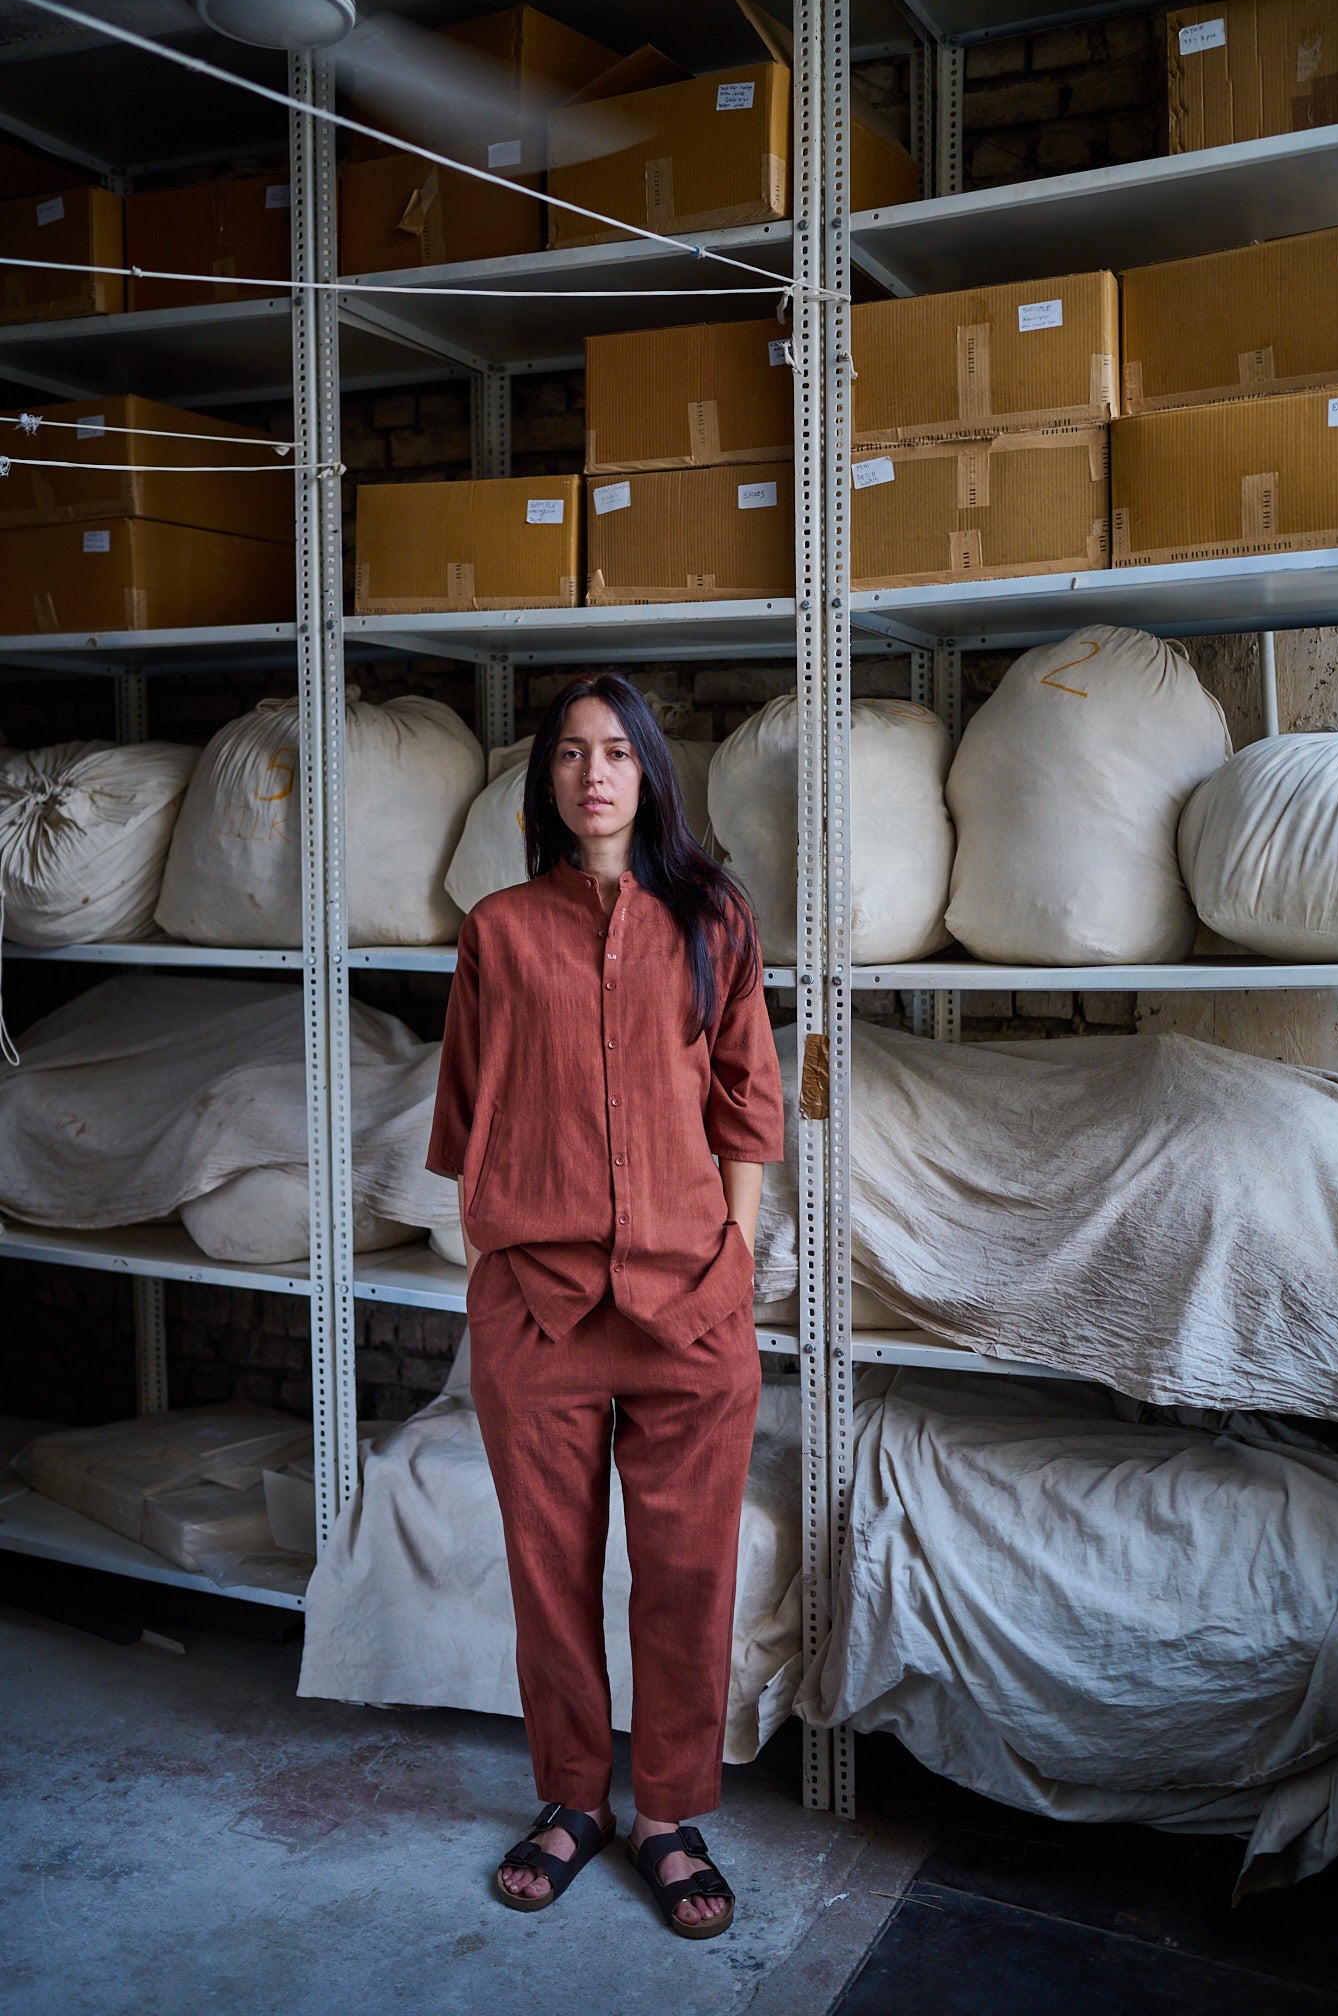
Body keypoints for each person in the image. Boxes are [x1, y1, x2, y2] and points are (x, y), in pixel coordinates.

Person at [427, 671, 784, 1940]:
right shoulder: (500, 929)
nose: (593, 775)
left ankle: (671, 1812)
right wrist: (505, 1248)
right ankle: (573, 1797)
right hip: (538, 1301)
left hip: (693, 1301)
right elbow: (465, 1118)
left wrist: (736, 1251)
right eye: (571, 754)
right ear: (548, 781)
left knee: (687, 1574)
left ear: (648, 775)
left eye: (616, 753)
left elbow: (748, 1102)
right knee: (549, 1571)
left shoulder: (713, 919)